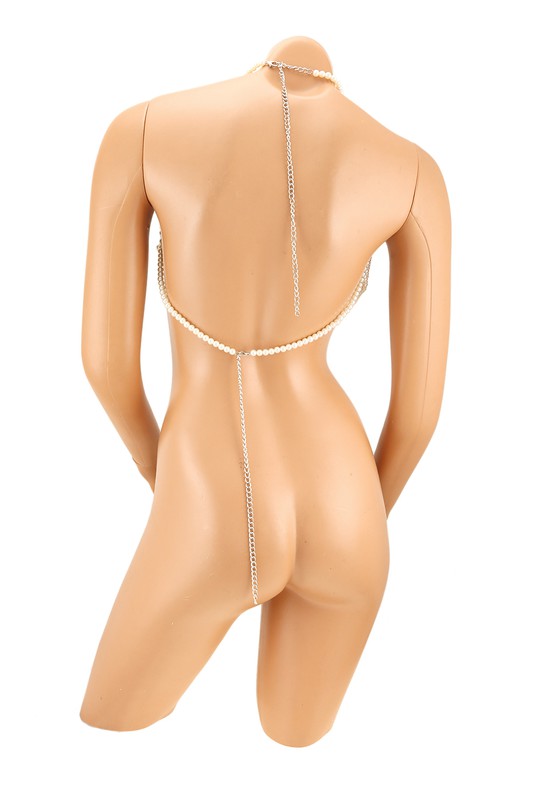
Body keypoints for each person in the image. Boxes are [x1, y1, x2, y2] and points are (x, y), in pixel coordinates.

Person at [80, 35, 451, 747]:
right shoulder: (412, 172)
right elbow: (418, 416)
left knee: (109, 730)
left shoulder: (143, 130)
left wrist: (167, 480)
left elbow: (105, 366)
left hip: (211, 499)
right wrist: (361, 525)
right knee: (293, 747)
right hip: (348, 510)